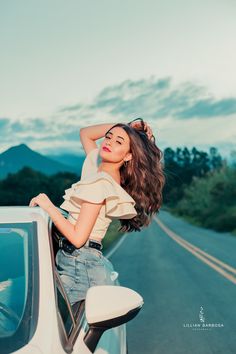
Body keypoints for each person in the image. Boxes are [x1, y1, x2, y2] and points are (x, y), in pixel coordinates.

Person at [29, 118, 165, 305]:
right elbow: (85, 133)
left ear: (128, 156)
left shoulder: (101, 181)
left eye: (119, 142)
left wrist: (49, 206)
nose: (109, 141)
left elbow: (78, 238)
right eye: (108, 137)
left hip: (79, 266)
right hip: (77, 261)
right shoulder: (96, 168)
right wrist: (125, 127)